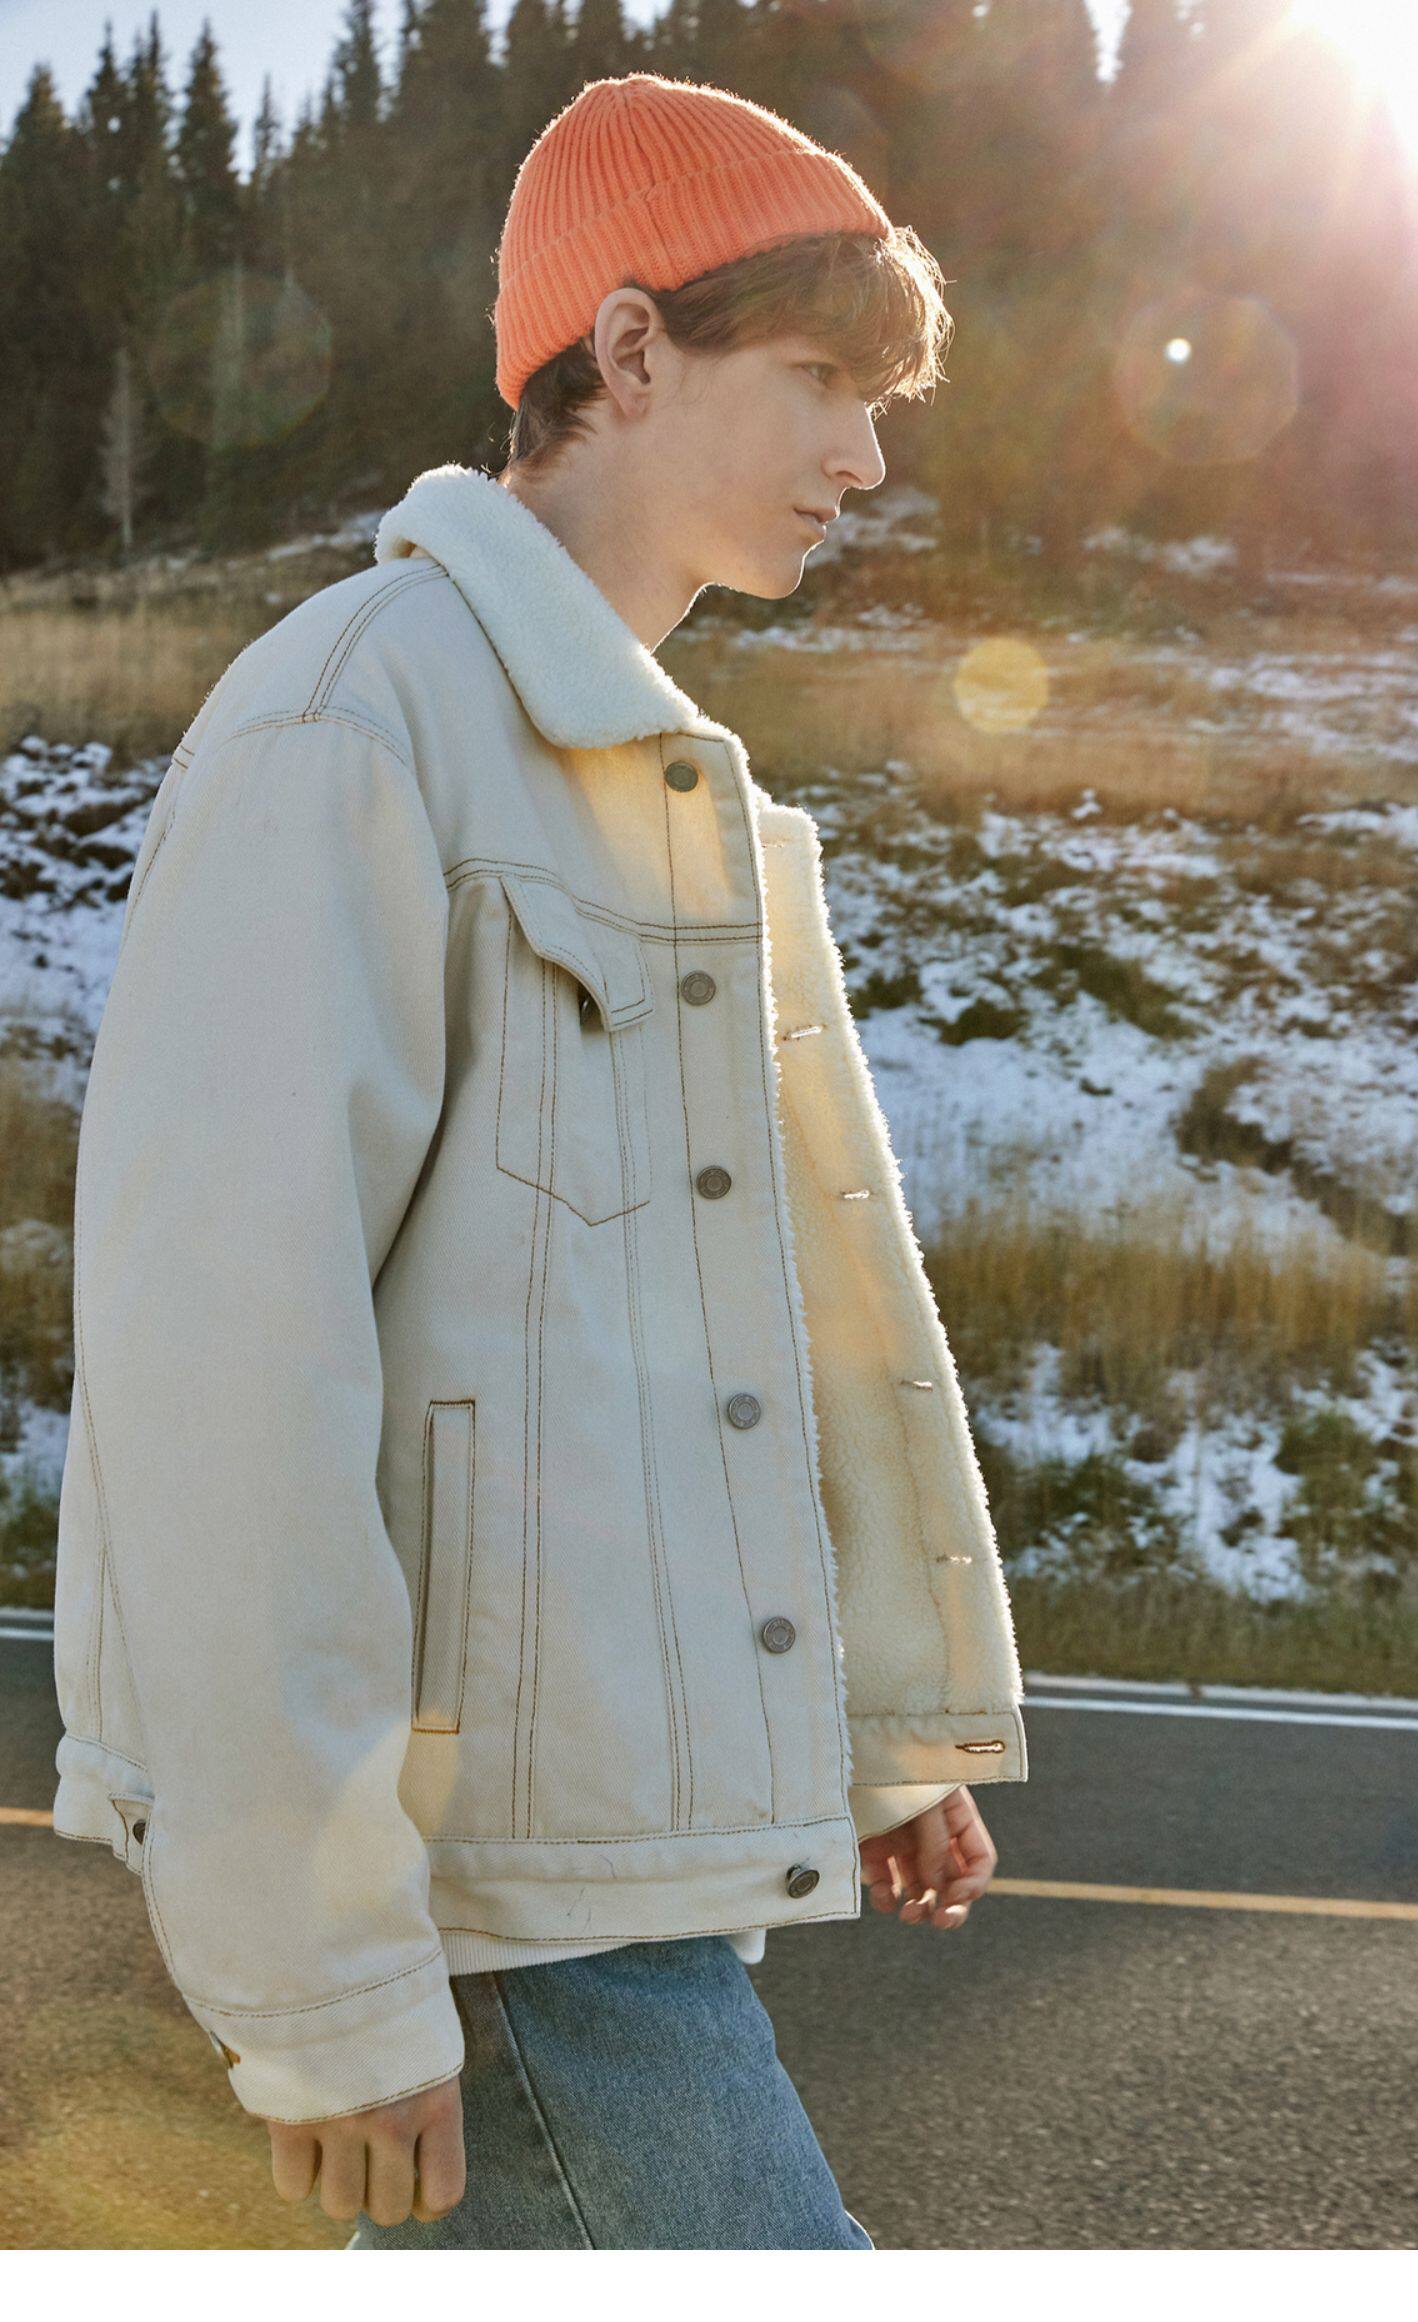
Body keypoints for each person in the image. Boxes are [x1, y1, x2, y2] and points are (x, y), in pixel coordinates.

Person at [50, 71, 1028, 2250]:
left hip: (592, 1875)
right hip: (490, 1913)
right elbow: (229, 1379)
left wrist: (867, 1724)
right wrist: (325, 1974)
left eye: (883, 404)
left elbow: (709, 1348)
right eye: (823, 382)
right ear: (631, 347)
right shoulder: (356, 720)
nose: (868, 459)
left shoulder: (669, 787)